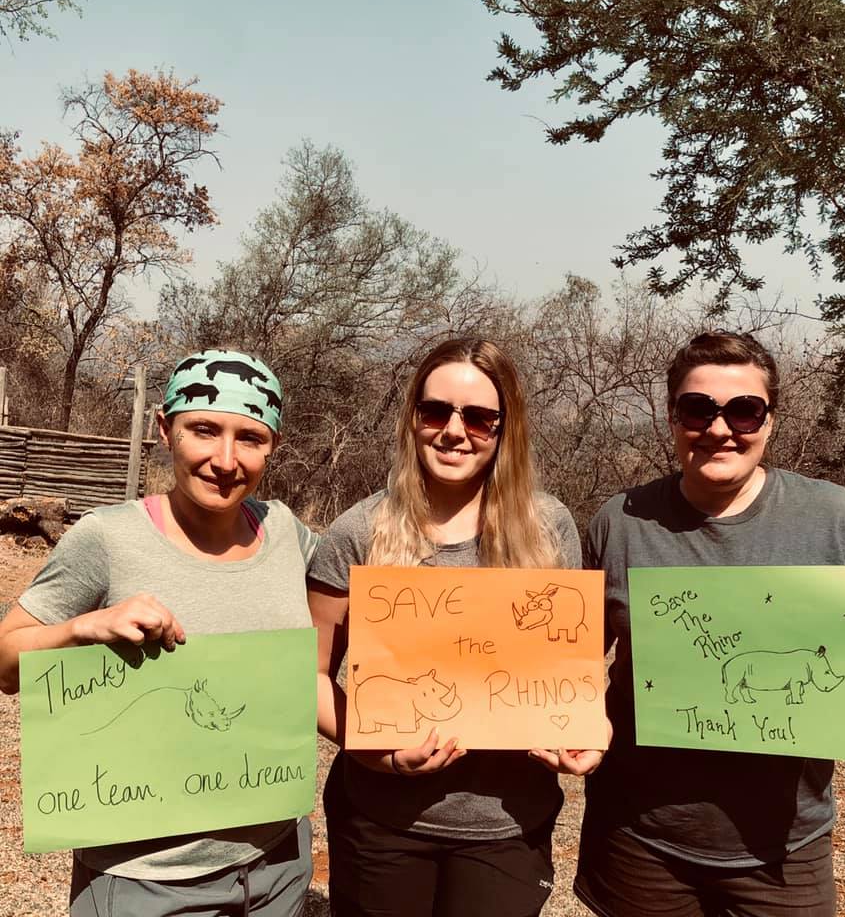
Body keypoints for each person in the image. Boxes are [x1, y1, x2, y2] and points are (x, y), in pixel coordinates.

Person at [574, 330, 845, 917]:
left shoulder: (837, 520)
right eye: (698, 409)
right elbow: (572, 663)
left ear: (769, 421)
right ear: (672, 417)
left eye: (744, 411)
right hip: (639, 840)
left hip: (785, 845)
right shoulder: (618, 523)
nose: (720, 429)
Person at [0, 349, 318, 917]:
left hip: (277, 866)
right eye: (204, 430)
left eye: (250, 437)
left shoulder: (287, 534)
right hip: (145, 881)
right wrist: (82, 629)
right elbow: (3, 662)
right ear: (164, 429)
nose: (225, 459)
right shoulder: (107, 538)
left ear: (272, 446)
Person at [307, 337, 600, 917]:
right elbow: (308, 673)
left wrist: (584, 736)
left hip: (508, 824)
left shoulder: (549, 528)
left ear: (505, 427)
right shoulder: (356, 532)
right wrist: (380, 757)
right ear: (412, 418)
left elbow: (572, 671)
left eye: (480, 417)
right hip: (382, 821)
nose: (454, 431)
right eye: (435, 411)